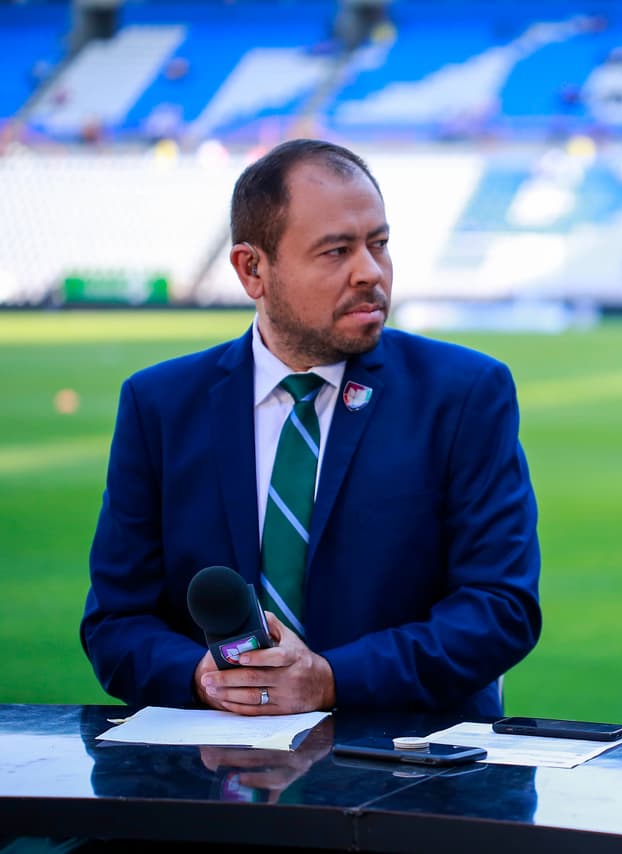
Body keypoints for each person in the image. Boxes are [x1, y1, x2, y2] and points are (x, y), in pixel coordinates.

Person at [81, 139, 541, 717]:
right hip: (217, 779)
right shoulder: (160, 405)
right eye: (335, 251)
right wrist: (203, 678)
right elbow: (116, 621)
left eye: (379, 244)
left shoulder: (464, 394)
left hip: (409, 774)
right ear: (253, 269)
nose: (369, 273)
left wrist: (329, 680)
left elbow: (502, 608)